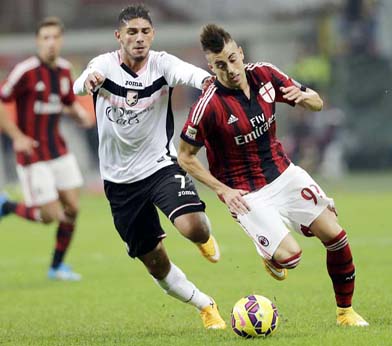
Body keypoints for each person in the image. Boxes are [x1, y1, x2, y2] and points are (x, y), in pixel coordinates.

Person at [178, 24, 369, 327]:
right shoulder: (208, 105)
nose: (230, 69)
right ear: (211, 67)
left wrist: (307, 99)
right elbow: (185, 156)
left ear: (240, 52)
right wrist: (222, 190)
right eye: (220, 65)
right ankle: (270, 253)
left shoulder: (265, 74)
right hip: (246, 192)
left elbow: (317, 102)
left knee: (336, 235)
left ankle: (345, 313)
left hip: (284, 173)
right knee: (291, 258)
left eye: (232, 58)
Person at [72, 5, 225, 330]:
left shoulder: (163, 64)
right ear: (119, 37)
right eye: (132, 32)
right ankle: (204, 304)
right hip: (119, 181)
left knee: (193, 227)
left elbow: (194, 76)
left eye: (144, 32)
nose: (139, 38)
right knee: (155, 263)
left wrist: (213, 82)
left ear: (152, 34)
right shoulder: (103, 65)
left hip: (159, 166)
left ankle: (203, 239)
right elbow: (78, 85)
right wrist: (89, 82)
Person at [0, 17, 93, 281]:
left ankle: (57, 267)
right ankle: (6, 206)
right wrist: (17, 136)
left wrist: (79, 114)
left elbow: (66, 101)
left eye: (55, 37)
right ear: (38, 41)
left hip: (58, 150)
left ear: (60, 41)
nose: (51, 43)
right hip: (31, 153)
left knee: (73, 208)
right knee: (50, 216)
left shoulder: (64, 70)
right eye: (45, 38)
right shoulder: (25, 71)